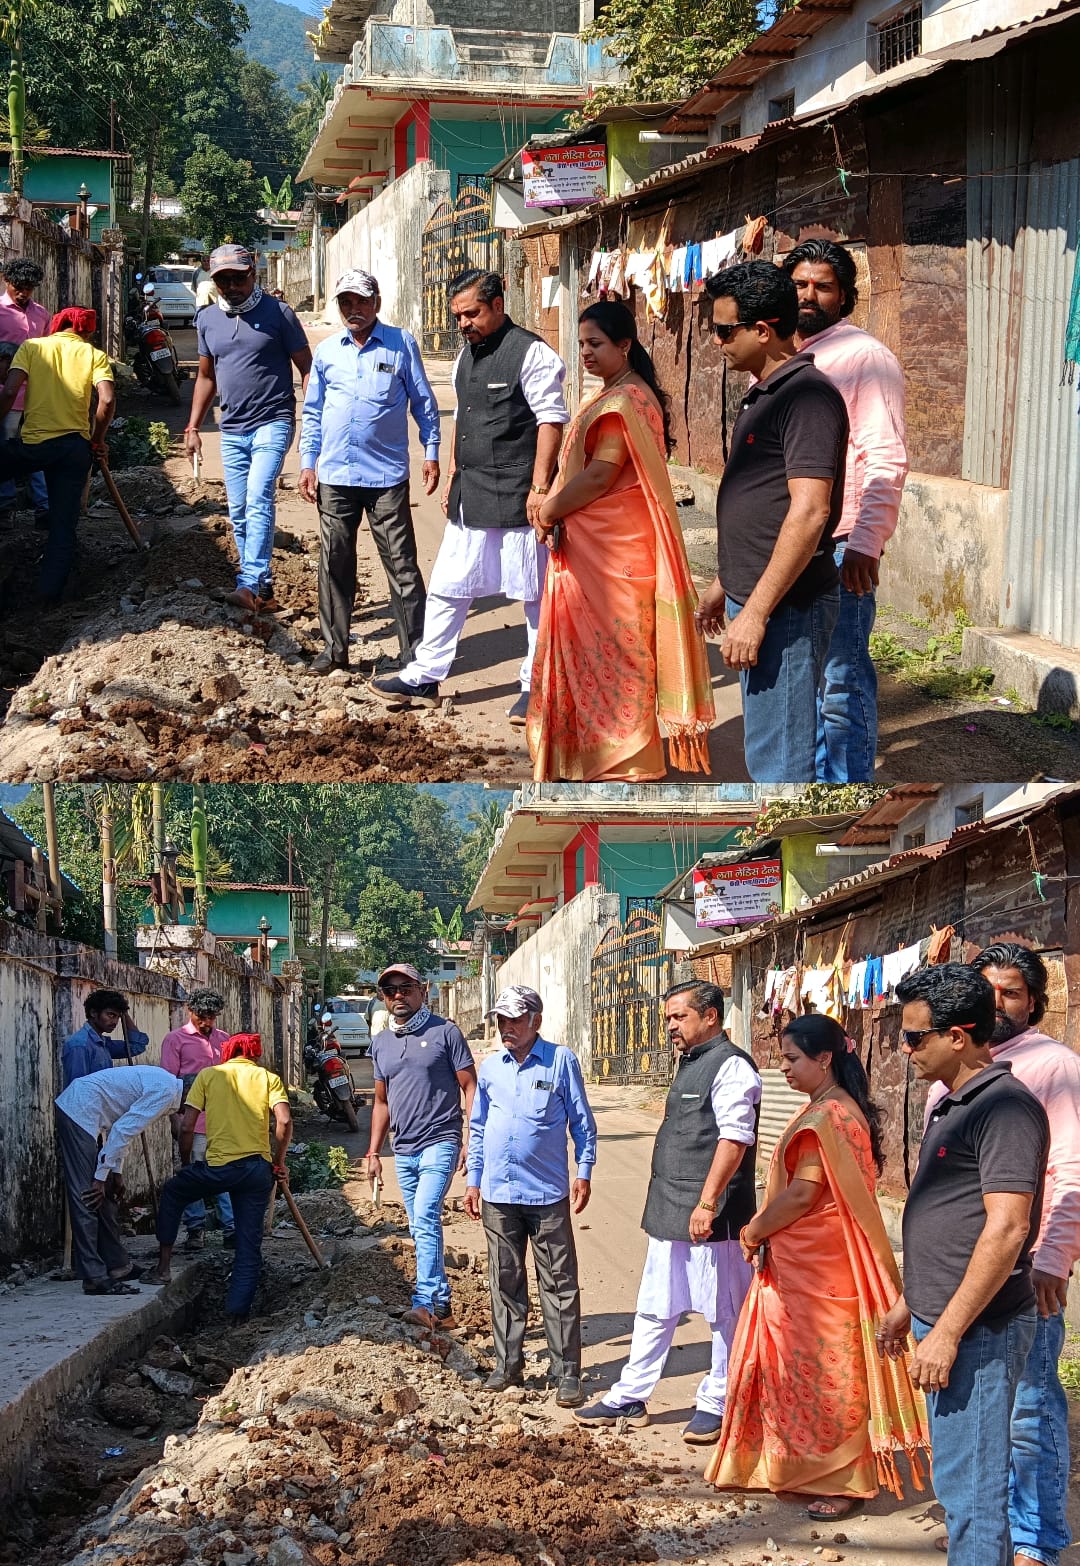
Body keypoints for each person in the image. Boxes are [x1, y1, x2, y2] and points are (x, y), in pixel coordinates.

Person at [705, 1015, 929, 1518]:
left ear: (824, 1058)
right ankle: (799, 1468)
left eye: (792, 1059)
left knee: (825, 1376)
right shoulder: (837, 1108)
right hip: (818, 1263)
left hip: (815, 1270)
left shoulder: (825, 1117)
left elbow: (804, 1194)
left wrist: (754, 1230)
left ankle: (844, 1481)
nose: (783, 1068)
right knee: (810, 1372)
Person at [879, 965, 1050, 1566]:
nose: (905, 1049)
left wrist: (948, 1332)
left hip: (977, 1330)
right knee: (959, 1484)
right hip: (945, 1320)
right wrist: (910, 1303)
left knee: (973, 1492)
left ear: (958, 1036)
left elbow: (1007, 1228)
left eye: (914, 1037)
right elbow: (950, 1218)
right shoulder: (953, 1104)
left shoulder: (1004, 1109)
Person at [921, 943, 1079, 1566]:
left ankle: (1033, 1540)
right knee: (986, 1422)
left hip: (1022, 1272)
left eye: (1010, 992)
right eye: (987, 990)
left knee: (1029, 1412)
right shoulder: (958, 1068)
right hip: (970, 1275)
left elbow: (1068, 1169)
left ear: (1033, 1002)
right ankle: (987, 1531)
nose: (997, 1002)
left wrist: (1054, 1256)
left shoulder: (1050, 1065)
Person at [526, 301, 715, 781]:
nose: (586, 352)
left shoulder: (622, 401)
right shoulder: (623, 391)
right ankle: (595, 755)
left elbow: (600, 476)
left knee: (619, 655)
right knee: (611, 653)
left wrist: (548, 509)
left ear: (624, 345)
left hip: (613, 553)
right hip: (610, 545)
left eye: (596, 343)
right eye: (582, 344)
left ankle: (626, 761)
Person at [370, 269, 568, 725]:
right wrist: (454, 472)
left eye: (472, 314)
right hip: (471, 494)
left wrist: (541, 489)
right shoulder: (464, 356)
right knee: (448, 587)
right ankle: (424, 675)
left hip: (519, 498)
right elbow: (462, 415)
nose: (463, 324)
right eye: (457, 316)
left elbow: (550, 421)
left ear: (498, 305)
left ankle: (535, 686)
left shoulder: (532, 353)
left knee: (534, 595)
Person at [576, 981, 760, 1444]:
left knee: (724, 1311)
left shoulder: (732, 1066)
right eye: (669, 1018)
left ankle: (718, 1400)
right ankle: (631, 1395)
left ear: (711, 1016)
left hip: (714, 1216)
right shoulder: (691, 1062)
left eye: (680, 1016)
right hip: (669, 1209)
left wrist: (708, 1202)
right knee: (656, 1306)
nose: (671, 1026)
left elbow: (735, 1139)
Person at [696, 262, 848, 782]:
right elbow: (765, 504)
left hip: (786, 607)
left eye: (724, 330)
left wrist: (756, 613)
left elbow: (810, 511)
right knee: (766, 748)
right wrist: (725, 584)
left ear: (762, 331)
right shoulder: (767, 391)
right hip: (758, 597)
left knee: (779, 763)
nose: (717, 341)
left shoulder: (807, 397)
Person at [780, 240, 907, 783]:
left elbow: (885, 456)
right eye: (799, 284)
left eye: (823, 287)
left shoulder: (863, 358)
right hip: (795, 543)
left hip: (840, 545)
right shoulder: (789, 355)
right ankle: (819, 784)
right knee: (805, 681)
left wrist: (866, 541)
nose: (808, 296)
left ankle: (847, 792)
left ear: (845, 297)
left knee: (841, 681)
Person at [299, 270, 439, 675]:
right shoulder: (327, 352)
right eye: (346, 302)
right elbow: (313, 412)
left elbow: (424, 403)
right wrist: (308, 462)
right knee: (334, 564)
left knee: (402, 566)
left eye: (361, 301)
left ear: (377, 302)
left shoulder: (400, 343)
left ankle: (414, 657)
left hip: (386, 479)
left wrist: (431, 452)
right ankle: (334, 651)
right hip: (336, 477)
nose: (353, 309)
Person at [464, 984, 597, 1406]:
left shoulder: (560, 1060)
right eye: (501, 1020)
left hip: (547, 1194)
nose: (506, 1027)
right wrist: (473, 1180)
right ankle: (508, 1365)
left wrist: (584, 1172)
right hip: (498, 1194)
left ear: (535, 1020)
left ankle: (566, 1372)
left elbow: (582, 1123)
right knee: (505, 1279)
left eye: (515, 1020)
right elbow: (479, 1127)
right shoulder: (490, 1068)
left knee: (558, 1282)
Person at [185, 244, 312, 612]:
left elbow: (307, 368)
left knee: (258, 498)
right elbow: (206, 377)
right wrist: (193, 426)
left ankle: (248, 582)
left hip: (273, 420)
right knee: (239, 510)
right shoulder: (208, 319)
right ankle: (263, 590)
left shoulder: (279, 313)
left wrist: (314, 419)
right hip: (232, 428)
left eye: (238, 278)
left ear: (253, 274)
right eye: (223, 280)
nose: (232, 286)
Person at [365, 962, 477, 1329]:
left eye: (406, 988)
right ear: (383, 998)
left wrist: (471, 1137)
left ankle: (424, 1302)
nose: (398, 995)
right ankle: (442, 1306)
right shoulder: (381, 1043)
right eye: (390, 990)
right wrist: (373, 1153)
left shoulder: (445, 1032)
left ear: (422, 991)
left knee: (427, 1215)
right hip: (403, 1148)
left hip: (441, 1139)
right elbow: (381, 1102)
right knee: (418, 1225)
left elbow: (470, 1087)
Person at [153, 1033, 292, 1322]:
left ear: (227, 1053)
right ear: (254, 1054)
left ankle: (163, 1267)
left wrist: (187, 1164)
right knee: (248, 1246)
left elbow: (187, 1127)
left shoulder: (208, 1076)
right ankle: (237, 1316)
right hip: (256, 1171)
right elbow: (284, 1120)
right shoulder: (268, 1078)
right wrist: (278, 1162)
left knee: (174, 1193)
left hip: (217, 1169)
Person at [0, 305, 115, 603]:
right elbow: (106, 400)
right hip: (74, 449)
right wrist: (97, 439)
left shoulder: (32, 348)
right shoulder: (93, 355)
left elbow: (9, 392)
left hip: (34, 446)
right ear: (87, 331)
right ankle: (48, 597)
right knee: (63, 526)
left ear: (58, 324)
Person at [55, 1063, 181, 1295]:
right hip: (78, 1110)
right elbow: (123, 1130)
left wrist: (116, 1173)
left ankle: (117, 1265)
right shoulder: (165, 1092)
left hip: (89, 1112)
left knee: (108, 1194)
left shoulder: (167, 1086)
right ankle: (93, 1277)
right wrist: (100, 1177)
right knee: (88, 1195)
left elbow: (120, 1127)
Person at [160, 988, 234, 1252]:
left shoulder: (224, 1040)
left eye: (211, 1017)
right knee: (192, 1175)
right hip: (191, 1123)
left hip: (222, 1122)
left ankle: (230, 1228)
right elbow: (169, 1084)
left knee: (224, 1175)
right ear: (190, 1011)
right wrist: (174, 1120)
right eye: (202, 1017)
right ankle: (195, 1229)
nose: (206, 1022)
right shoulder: (175, 1040)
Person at [0, 257, 50, 528]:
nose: (23, 293)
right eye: (18, 287)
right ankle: (6, 507)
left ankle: (44, 507)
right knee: (5, 450)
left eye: (28, 288)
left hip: (36, 396)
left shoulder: (41, 314)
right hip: (6, 396)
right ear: (6, 281)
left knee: (38, 449)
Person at [62, 989, 149, 1087]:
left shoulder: (103, 1043)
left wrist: (125, 1014)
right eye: (111, 1015)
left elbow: (137, 1046)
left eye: (118, 1017)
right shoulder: (80, 1045)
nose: (115, 1022)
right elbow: (78, 1089)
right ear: (93, 1013)